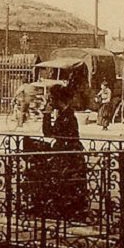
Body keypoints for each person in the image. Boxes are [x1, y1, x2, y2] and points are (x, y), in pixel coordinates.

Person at [38, 83, 88, 221]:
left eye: (51, 99)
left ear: (57, 99)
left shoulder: (68, 116)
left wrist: (47, 115)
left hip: (69, 156)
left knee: (68, 184)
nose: (50, 102)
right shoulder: (64, 114)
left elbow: (49, 133)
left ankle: (69, 212)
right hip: (66, 154)